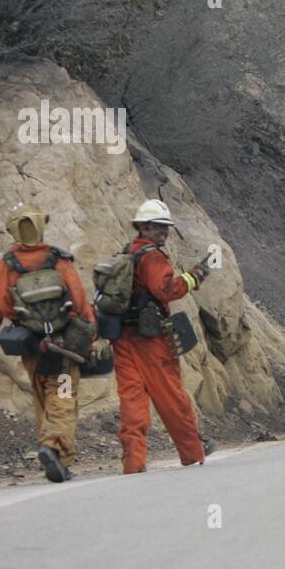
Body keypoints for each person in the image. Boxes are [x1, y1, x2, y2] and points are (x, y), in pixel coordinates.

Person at [0, 203, 96, 483]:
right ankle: (54, 448)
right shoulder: (59, 259)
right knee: (62, 394)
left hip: (30, 345)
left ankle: (54, 453)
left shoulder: (7, 264)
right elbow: (81, 303)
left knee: (42, 397)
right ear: (41, 225)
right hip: (64, 343)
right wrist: (89, 339)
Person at [111, 199, 215, 474]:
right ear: (144, 227)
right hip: (151, 340)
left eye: (165, 227)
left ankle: (133, 462)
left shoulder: (127, 253)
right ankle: (193, 452)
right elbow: (166, 290)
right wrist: (196, 275)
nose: (164, 232)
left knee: (132, 399)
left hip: (123, 338)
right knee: (170, 396)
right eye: (159, 227)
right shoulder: (152, 256)